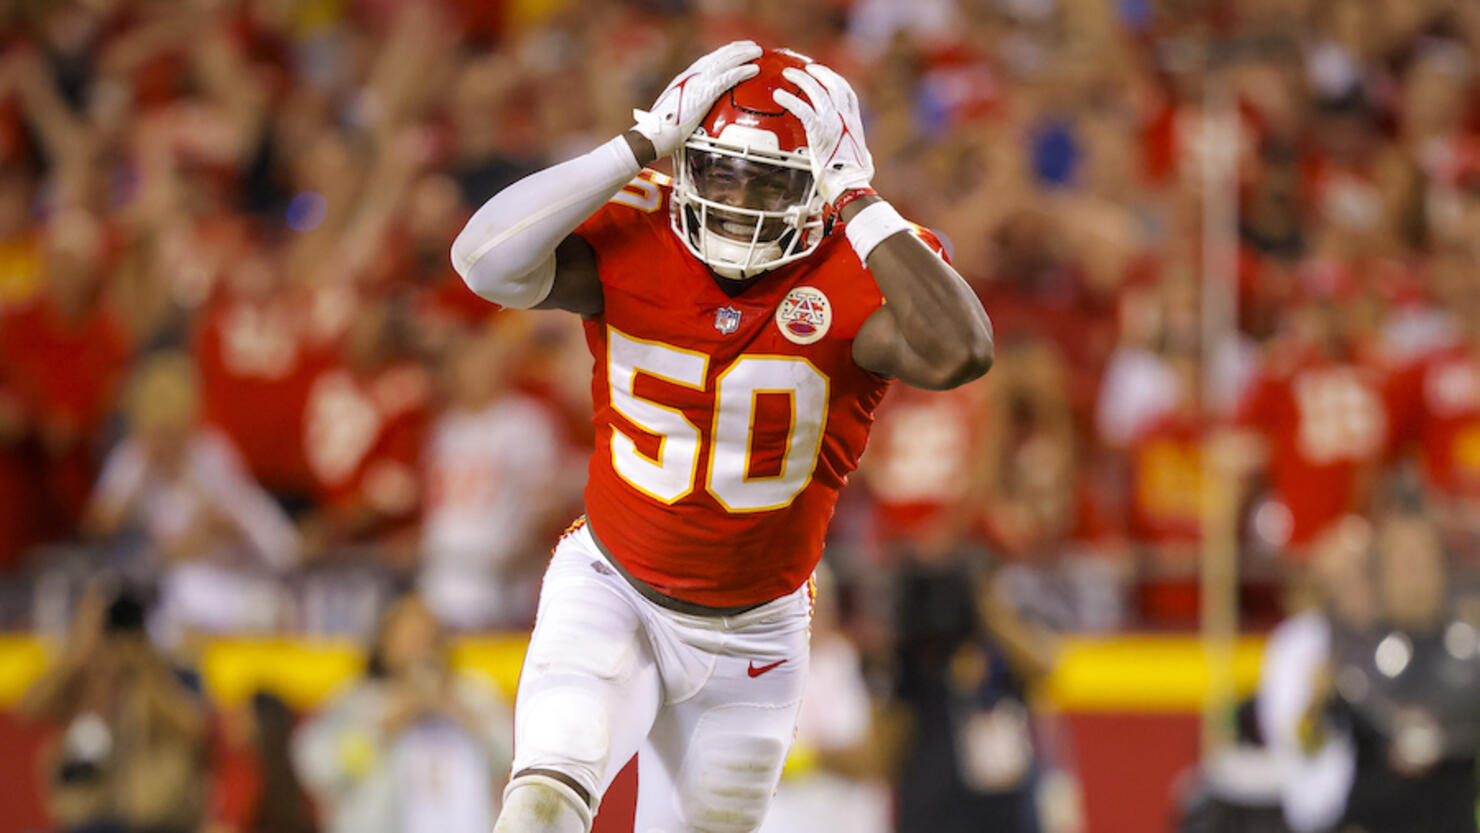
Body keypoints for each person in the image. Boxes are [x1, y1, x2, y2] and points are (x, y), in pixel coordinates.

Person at [450, 42, 992, 833]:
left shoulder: (862, 259)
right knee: (538, 806)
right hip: (612, 587)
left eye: (768, 179)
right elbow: (482, 263)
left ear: (824, 183)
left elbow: (961, 351)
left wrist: (861, 202)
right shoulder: (638, 223)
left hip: (755, 637)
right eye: (717, 170)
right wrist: (634, 145)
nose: (737, 201)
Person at [293, 593, 513, 833]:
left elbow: (513, 757)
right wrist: (380, 729)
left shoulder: (472, 694)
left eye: (429, 638)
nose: (420, 648)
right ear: (385, 643)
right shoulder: (358, 701)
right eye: (410, 638)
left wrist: (462, 714)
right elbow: (320, 768)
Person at [19, 586, 209, 833]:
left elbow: (194, 727)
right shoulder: (82, 676)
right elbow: (29, 709)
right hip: (87, 817)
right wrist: (80, 644)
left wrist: (143, 660)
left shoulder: (168, 673)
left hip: (155, 820)